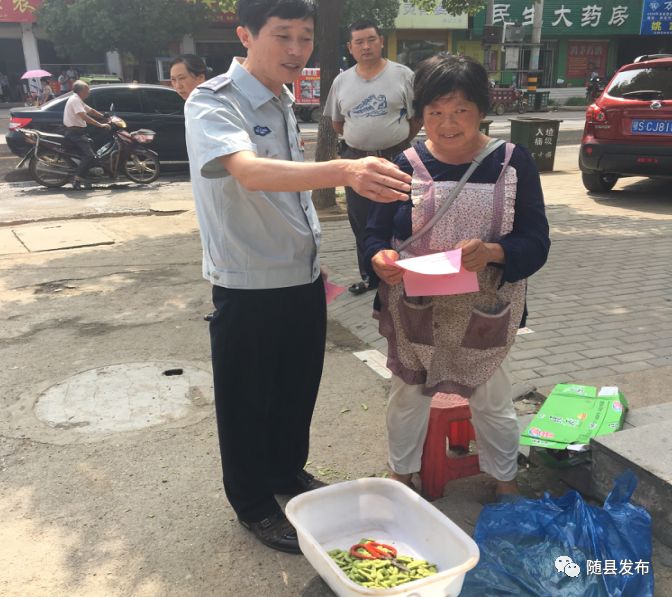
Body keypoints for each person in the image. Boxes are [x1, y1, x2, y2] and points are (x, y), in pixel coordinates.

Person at [184, 0, 411, 554]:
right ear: (245, 35)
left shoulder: (283, 100)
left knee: (295, 389)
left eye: (305, 38)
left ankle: (286, 472)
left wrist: (309, 251)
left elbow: (289, 194)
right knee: (247, 401)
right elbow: (250, 172)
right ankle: (253, 505)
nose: (296, 50)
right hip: (248, 284)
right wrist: (345, 170)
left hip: (302, 277)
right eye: (282, 35)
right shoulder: (214, 101)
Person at [364, 54, 550, 499]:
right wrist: (378, 257)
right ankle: (401, 475)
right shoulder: (404, 164)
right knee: (407, 396)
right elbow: (374, 232)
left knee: (492, 399)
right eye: (435, 113)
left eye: (460, 110)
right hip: (416, 307)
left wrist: (493, 252)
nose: (447, 124)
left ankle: (505, 481)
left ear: (481, 110)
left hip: (484, 310)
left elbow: (536, 241)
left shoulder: (512, 162)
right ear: (420, 114)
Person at [325, 19, 421, 296]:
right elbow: (337, 123)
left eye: (370, 39)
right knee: (361, 220)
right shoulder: (341, 81)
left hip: (397, 158)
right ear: (350, 47)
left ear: (381, 41)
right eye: (359, 42)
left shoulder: (403, 75)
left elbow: (416, 118)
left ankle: (403, 272)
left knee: (401, 216)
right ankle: (370, 275)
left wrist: (395, 142)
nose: (365, 46)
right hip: (357, 161)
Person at [62, 80, 111, 190]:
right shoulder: (75, 100)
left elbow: (91, 111)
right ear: (82, 91)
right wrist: (100, 125)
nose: (89, 92)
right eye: (87, 90)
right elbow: (84, 116)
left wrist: (104, 117)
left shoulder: (78, 100)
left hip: (78, 132)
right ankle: (77, 179)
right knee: (89, 156)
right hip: (75, 133)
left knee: (91, 148)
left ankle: (87, 175)